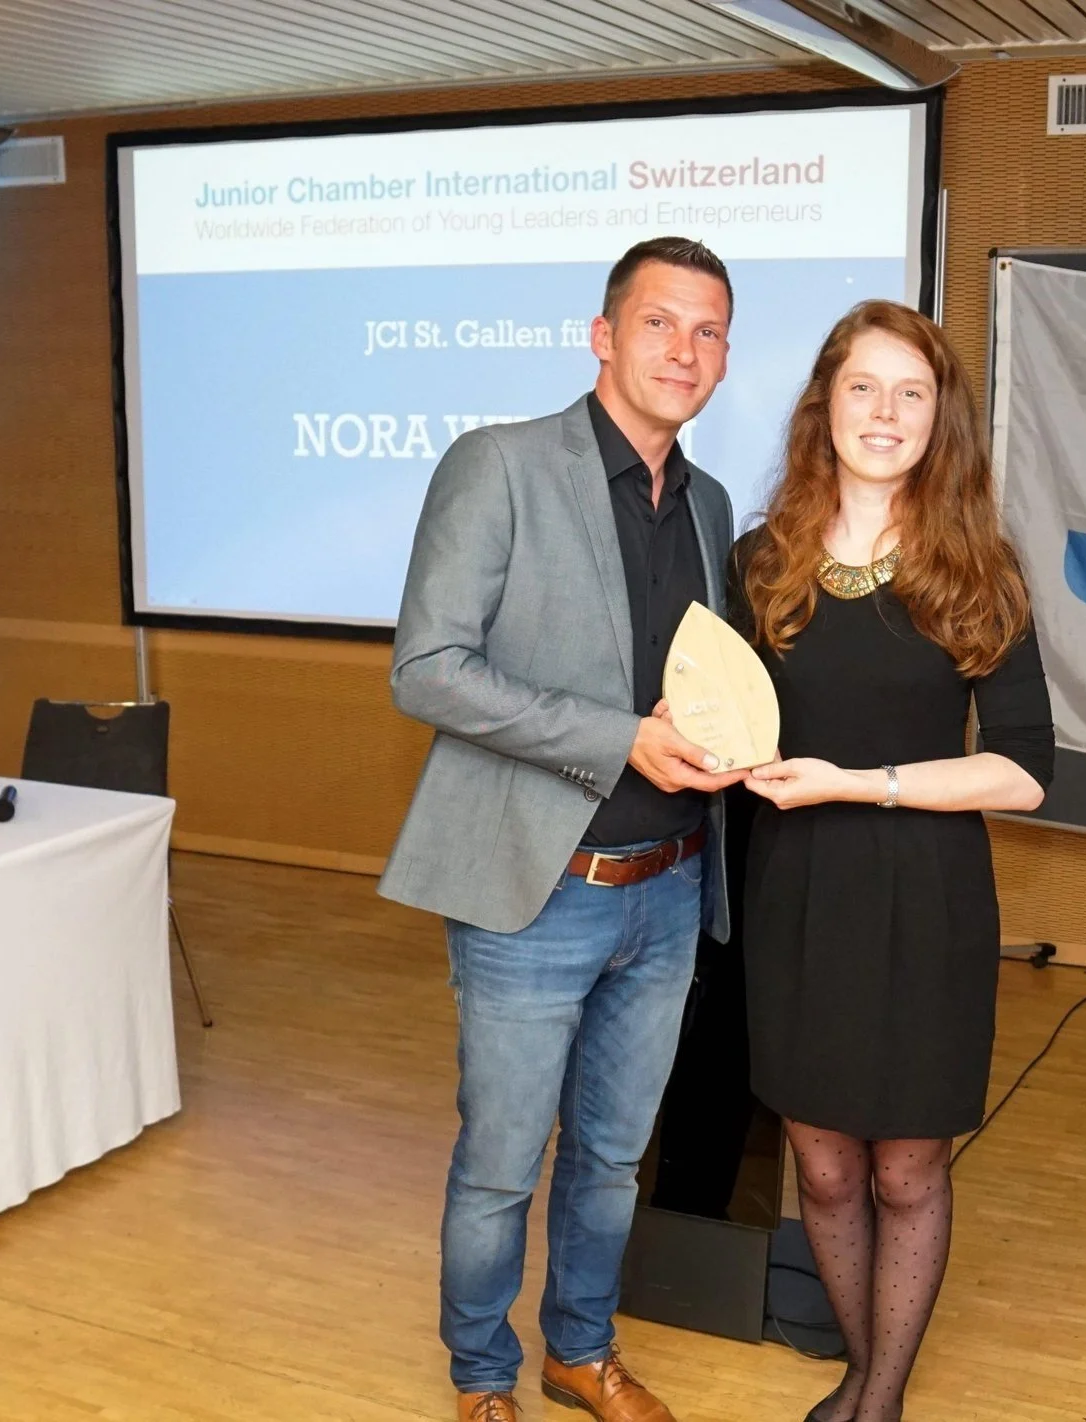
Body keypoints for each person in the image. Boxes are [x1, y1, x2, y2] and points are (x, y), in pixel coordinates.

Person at [382, 236, 746, 1422]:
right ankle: (482, 1374)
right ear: (602, 336)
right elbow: (427, 670)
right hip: (537, 890)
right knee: (500, 1164)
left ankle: (579, 1352)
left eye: (708, 332)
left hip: (671, 887)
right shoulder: (499, 466)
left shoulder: (711, 505)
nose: (684, 351)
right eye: (659, 323)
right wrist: (616, 737)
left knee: (609, 1160)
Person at [726, 300, 1056, 1422]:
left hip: (927, 902)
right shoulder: (761, 563)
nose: (884, 412)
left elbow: (1023, 773)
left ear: (939, 417)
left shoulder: (978, 571)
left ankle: (878, 1403)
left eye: (911, 392)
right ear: (824, 405)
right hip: (797, 896)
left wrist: (857, 783)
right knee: (823, 1169)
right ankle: (866, 1368)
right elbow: (726, 722)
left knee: (907, 1171)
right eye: (862, 387)